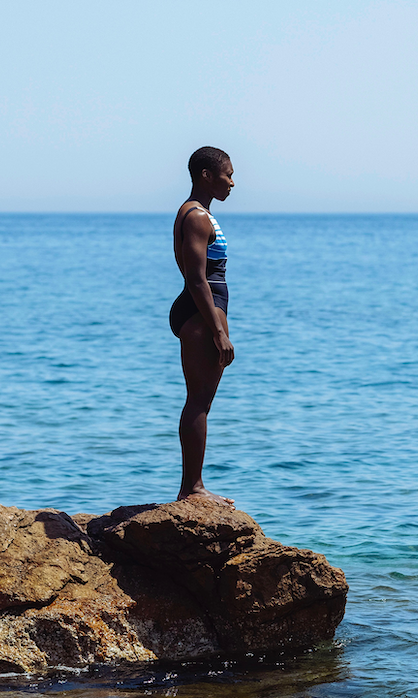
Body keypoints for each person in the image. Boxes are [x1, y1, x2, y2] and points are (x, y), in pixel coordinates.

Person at [169, 146, 236, 507]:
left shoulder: (198, 212)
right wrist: (219, 331)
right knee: (198, 402)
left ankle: (192, 485)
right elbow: (196, 279)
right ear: (207, 176)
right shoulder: (196, 216)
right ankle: (192, 488)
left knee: (200, 401)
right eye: (227, 174)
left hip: (201, 311)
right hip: (200, 312)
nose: (232, 182)